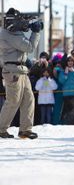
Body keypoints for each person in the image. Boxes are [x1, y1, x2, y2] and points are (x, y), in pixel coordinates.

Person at [0, 8, 42, 139]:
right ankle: (1, 129)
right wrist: (35, 32)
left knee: (28, 99)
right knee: (13, 101)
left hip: (21, 70)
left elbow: (21, 49)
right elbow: (28, 47)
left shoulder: (14, 32)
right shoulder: (7, 33)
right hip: (13, 71)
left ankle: (25, 129)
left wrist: (24, 60)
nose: (21, 23)